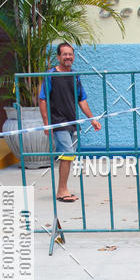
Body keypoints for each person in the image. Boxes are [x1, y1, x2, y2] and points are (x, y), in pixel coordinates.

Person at [38, 42, 101, 202]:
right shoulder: (51, 75)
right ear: (58, 57)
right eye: (64, 54)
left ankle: (63, 188)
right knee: (67, 155)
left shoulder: (75, 75)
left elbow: (82, 99)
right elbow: (43, 99)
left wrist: (92, 119)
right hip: (58, 122)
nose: (68, 57)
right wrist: (46, 123)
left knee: (68, 156)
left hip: (72, 121)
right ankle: (62, 191)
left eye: (70, 54)